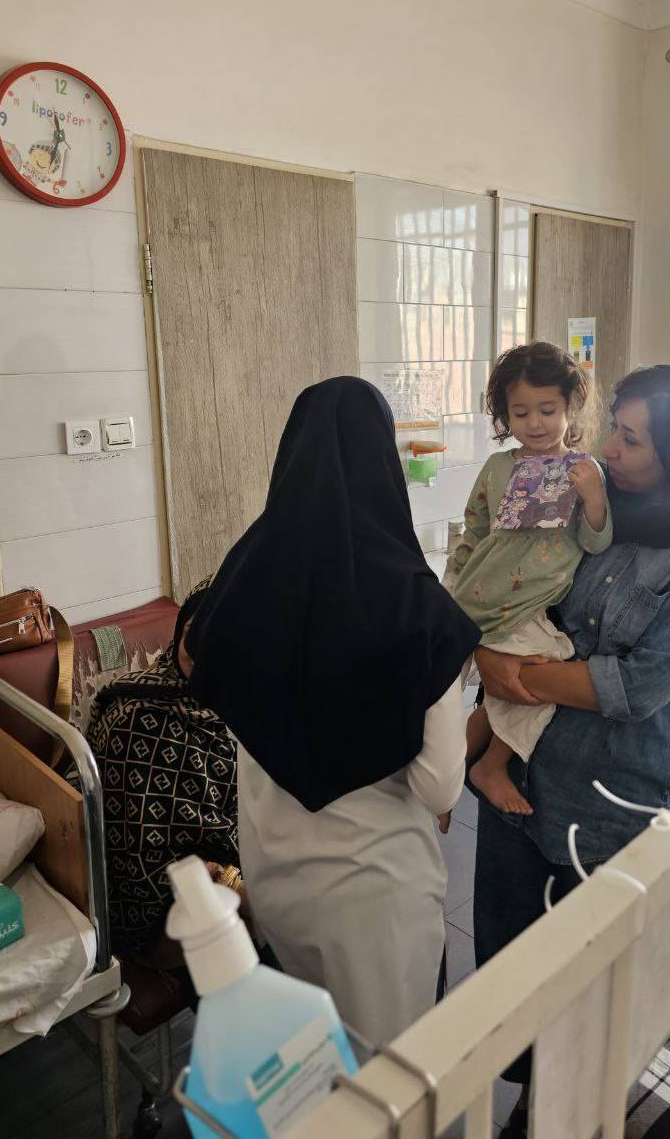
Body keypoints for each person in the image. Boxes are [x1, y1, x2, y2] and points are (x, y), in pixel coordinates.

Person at [471, 364, 670, 1133]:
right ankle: (527, 1107)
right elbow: (518, 592)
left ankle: (567, 1113)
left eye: (630, 439)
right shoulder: (589, 501)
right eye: (613, 431)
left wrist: (511, 673)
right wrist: (487, 658)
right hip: (519, 769)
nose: (609, 450)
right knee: (510, 965)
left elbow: (638, 686)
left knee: (588, 982)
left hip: (605, 792)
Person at [185, 377, 481, 1045]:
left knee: (307, 1059)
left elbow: (206, 669)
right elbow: (438, 786)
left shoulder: (243, 577)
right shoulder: (416, 606)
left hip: (273, 872)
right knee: (389, 1074)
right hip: (375, 895)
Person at [445, 342, 611, 818]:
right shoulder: (498, 467)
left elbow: (596, 542)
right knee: (440, 691)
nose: (535, 423)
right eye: (520, 413)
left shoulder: (584, 471)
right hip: (477, 595)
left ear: (570, 406)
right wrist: (450, 587)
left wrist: (594, 497)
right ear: (505, 415)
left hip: (526, 607)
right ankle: (454, 773)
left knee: (532, 678)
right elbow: (474, 529)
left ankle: (471, 767)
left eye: (547, 410)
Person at [87, 579, 241, 964]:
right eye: (192, 632)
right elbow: (138, 858)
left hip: (235, 860)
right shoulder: (135, 720)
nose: (199, 649)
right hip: (157, 901)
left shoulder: (240, 697)